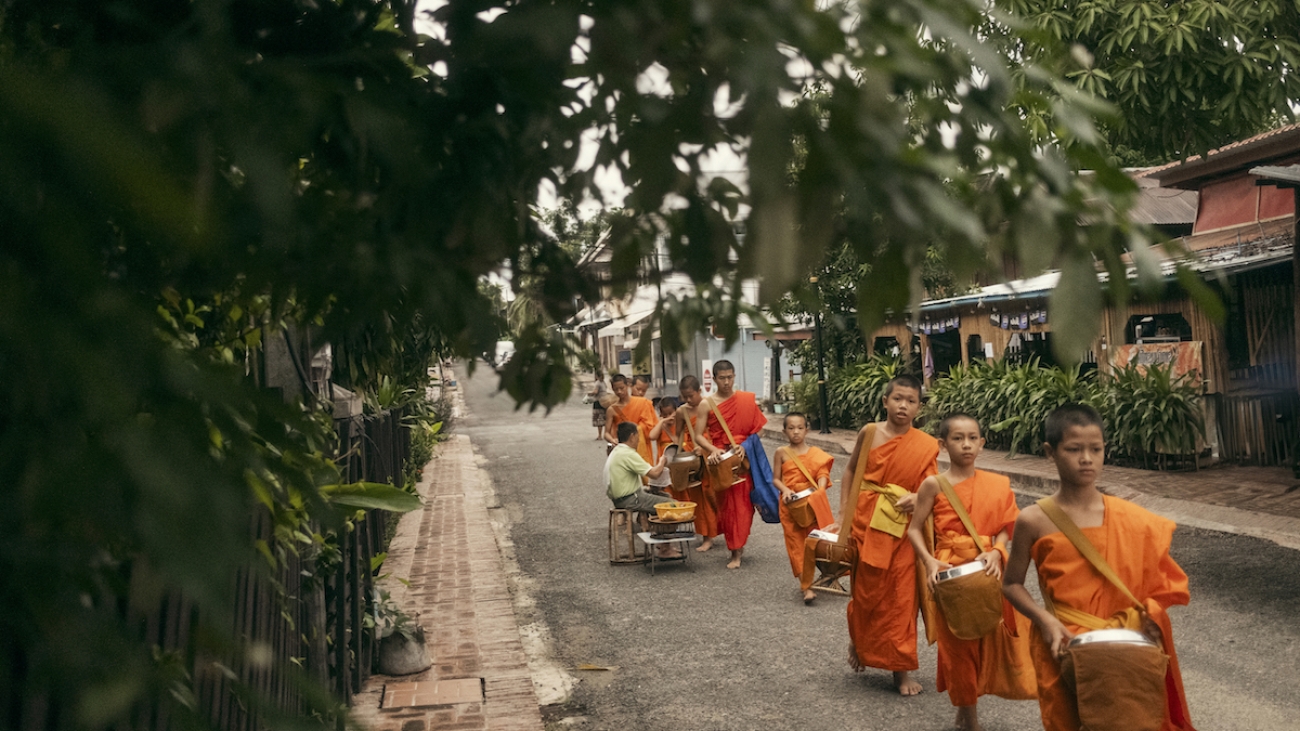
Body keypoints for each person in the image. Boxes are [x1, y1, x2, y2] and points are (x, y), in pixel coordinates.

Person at [1002, 404, 1195, 731]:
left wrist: (1151, 615)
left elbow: (1160, 585)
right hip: (1064, 644)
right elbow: (1011, 585)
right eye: (1074, 449)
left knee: (1132, 720)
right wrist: (1045, 620)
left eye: (1096, 449)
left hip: (1125, 644)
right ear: (1050, 452)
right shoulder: (1033, 519)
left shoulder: (1132, 518)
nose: (1086, 458)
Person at [907, 413, 1033, 731]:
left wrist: (995, 551)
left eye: (972, 438)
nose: (966, 445)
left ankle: (965, 711)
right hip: (948, 571)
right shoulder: (933, 484)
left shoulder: (997, 484)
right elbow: (914, 529)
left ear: (982, 443)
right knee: (958, 648)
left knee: (987, 641)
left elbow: (1008, 527)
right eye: (958, 438)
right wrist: (929, 561)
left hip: (985, 569)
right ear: (942, 444)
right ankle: (971, 720)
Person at [842, 373, 938, 695]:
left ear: (919, 408)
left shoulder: (925, 445)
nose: (903, 406)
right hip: (866, 523)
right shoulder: (869, 433)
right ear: (885, 401)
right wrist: (844, 515)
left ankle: (901, 671)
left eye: (911, 401)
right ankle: (860, 642)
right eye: (898, 399)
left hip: (901, 528)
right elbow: (852, 471)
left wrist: (919, 498)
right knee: (866, 593)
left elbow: (933, 487)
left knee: (900, 599)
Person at [691, 360, 767, 569]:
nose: (727, 382)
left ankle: (738, 547)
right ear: (714, 379)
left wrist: (747, 445)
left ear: (734, 376)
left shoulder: (745, 400)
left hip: (742, 458)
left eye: (730, 377)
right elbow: (698, 436)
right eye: (722, 378)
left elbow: (759, 429)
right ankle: (734, 549)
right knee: (726, 506)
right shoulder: (707, 404)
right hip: (720, 460)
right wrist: (713, 450)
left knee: (743, 506)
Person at [771, 412, 836, 603]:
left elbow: (822, 473)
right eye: (791, 429)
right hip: (790, 505)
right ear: (784, 432)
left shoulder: (816, 453)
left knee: (817, 541)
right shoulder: (781, 452)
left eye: (800, 428)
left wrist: (821, 490)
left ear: (807, 430)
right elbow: (775, 478)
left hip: (812, 503)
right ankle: (806, 586)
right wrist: (785, 490)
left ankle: (827, 575)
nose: (796, 432)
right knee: (796, 545)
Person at [605, 422, 680, 559]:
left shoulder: (617, 451)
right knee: (672, 505)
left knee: (663, 495)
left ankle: (663, 542)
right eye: (638, 436)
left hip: (622, 497)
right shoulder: (628, 454)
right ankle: (665, 549)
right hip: (630, 498)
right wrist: (663, 461)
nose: (639, 440)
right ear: (632, 436)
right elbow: (655, 474)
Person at [664, 375, 722, 551]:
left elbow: (717, 431)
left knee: (712, 495)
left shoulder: (710, 405)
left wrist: (706, 448)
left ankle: (716, 531)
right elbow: (680, 433)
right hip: (692, 456)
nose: (688, 400)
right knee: (698, 497)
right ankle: (706, 536)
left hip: (710, 453)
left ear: (699, 391)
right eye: (684, 396)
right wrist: (681, 451)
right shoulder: (682, 411)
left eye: (691, 395)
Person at [604, 374, 657, 467]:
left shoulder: (642, 403)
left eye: (622, 388)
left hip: (641, 446)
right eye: (616, 389)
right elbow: (606, 433)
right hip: (623, 448)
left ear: (627, 385)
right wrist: (612, 440)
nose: (619, 391)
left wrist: (637, 431)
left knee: (644, 476)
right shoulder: (612, 409)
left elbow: (650, 426)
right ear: (612, 389)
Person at [645, 396, 679, 495]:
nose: (668, 417)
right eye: (665, 415)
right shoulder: (661, 426)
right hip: (663, 463)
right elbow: (651, 436)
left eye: (670, 413)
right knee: (666, 490)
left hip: (677, 461)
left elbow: (678, 442)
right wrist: (662, 422)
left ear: (676, 411)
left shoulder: (680, 424)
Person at [588, 369, 609, 440]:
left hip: (598, 402)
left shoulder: (597, 383)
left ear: (596, 375)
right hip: (605, 401)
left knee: (599, 419)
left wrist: (590, 394)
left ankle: (600, 435)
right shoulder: (603, 382)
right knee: (604, 418)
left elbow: (596, 392)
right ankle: (606, 433)